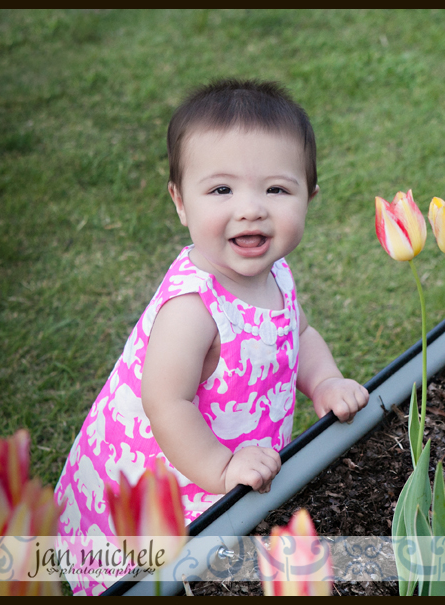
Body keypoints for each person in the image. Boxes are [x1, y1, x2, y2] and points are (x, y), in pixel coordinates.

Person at [53, 78, 369, 595]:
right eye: (221, 190)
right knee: (174, 568)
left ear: (310, 195)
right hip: (176, 467)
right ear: (180, 202)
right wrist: (222, 468)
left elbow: (299, 333)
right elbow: (167, 402)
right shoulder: (192, 308)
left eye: (277, 189)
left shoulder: (277, 273)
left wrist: (326, 382)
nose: (251, 208)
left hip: (232, 454)